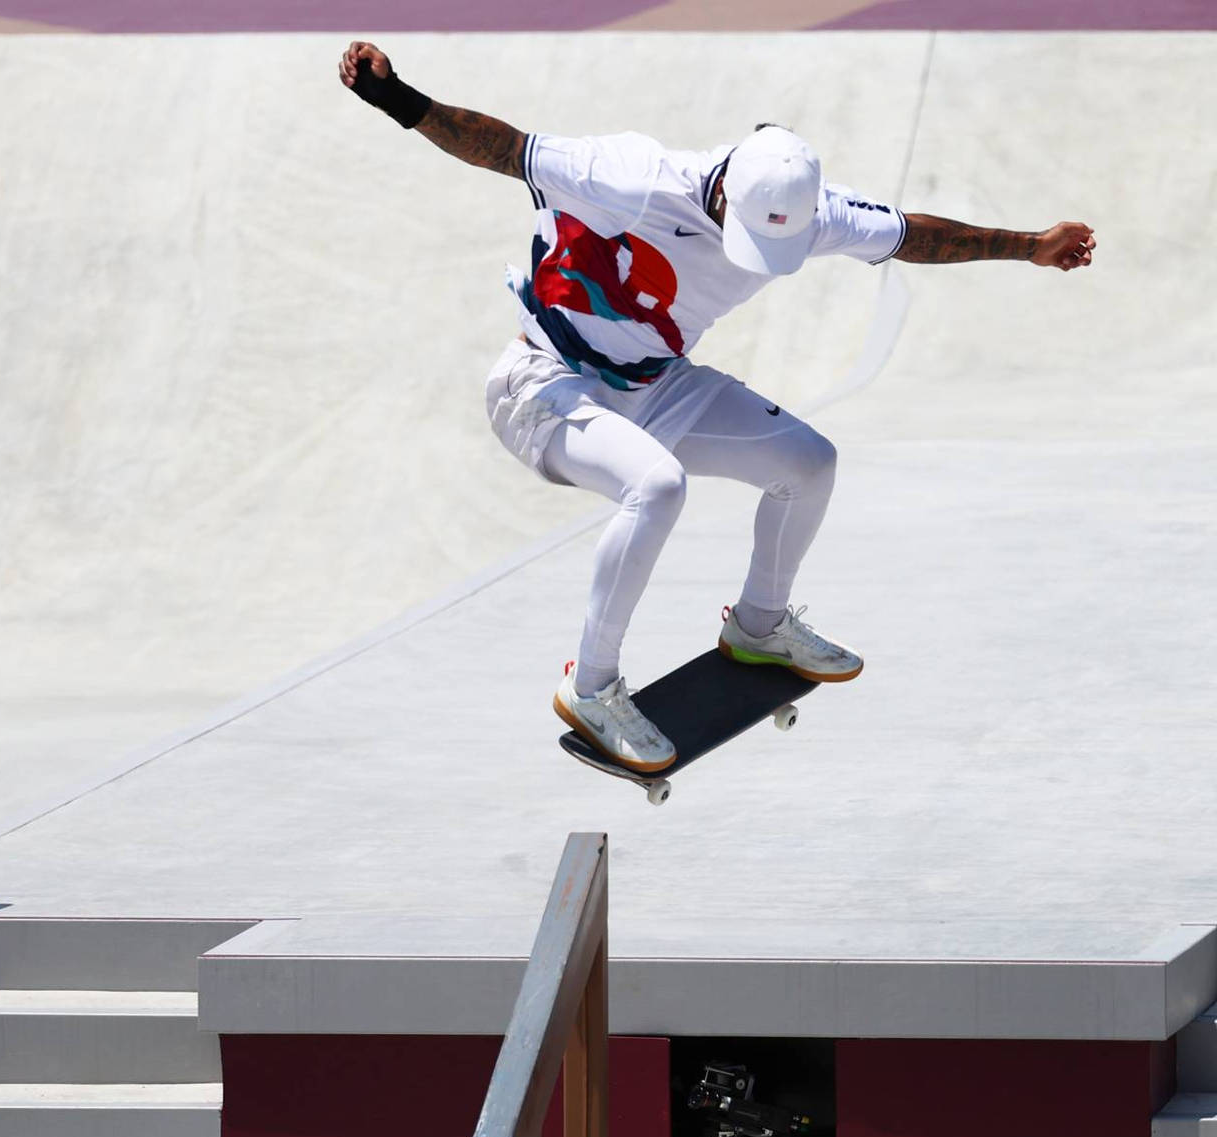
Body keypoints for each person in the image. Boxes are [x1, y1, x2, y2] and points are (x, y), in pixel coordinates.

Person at [338, 42, 1094, 774]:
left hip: (655, 382)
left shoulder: (814, 211)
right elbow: (501, 148)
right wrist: (396, 96)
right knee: (658, 486)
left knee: (810, 464)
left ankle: (759, 626)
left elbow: (913, 236)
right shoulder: (630, 174)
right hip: (542, 382)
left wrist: (1031, 245)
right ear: (727, 190)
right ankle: (592, 685)